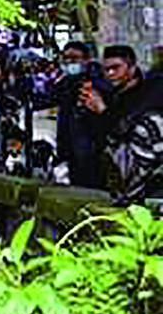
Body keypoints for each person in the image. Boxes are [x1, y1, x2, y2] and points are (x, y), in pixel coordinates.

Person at [82, 45, 163, 204]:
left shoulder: (149, 94)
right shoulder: (111, 94)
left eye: (116, 68)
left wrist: (103, 111)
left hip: (145, 178)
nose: (110, 74)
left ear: (132, 68)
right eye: (106, 69)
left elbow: (123, 128)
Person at [52, 42, 111, 189]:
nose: (69, 62)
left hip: (94, 153)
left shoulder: (98, 83)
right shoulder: (66, 83)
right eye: (65, 58)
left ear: (86, 60)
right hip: (71, 151)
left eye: (74, 58)